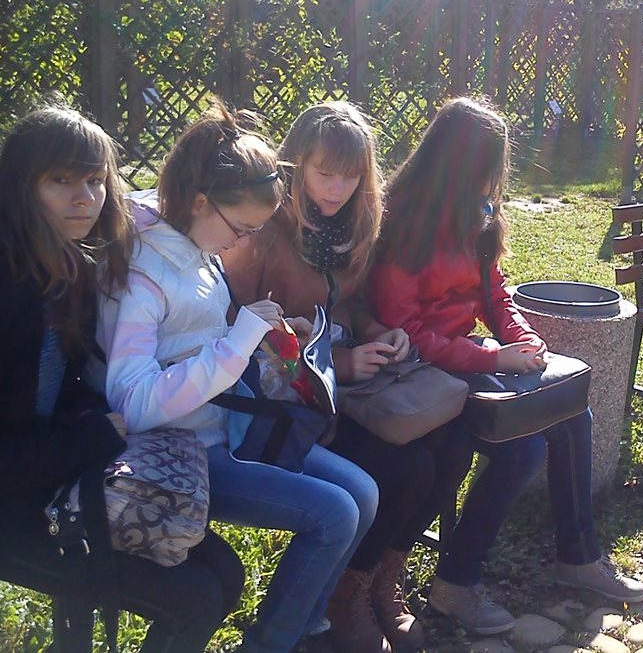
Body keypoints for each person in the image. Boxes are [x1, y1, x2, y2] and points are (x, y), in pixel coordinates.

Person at [98, 102, 381, 653]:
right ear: (201, 202)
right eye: (241, 229)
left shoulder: (199, 245)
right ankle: (272, 642)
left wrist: (266, 334)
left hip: (226, 428)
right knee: (334, 514)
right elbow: (133, 404)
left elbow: (200, 340)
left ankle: (303, 626)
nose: (240, 243)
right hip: (182, 452)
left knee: (363, 494)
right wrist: (236, 343)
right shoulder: (144, 276)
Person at [369, 97, 643, 636]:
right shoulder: (402, 223)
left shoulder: (477, 212)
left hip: (468, 359)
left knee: (571, 408)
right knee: (525, 450)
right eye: (487, 166)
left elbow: (495, 291)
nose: (493, 181)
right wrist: (492, 357)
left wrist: (523, 339)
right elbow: (406, 331)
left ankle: (579, 557)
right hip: (420, 372)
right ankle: (456, 583)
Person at [222, 101, 474, 650]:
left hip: (344, 392)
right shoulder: (261, 232)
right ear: (295, 166)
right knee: (405, 467)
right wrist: (336, 363)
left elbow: (349, 305)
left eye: (351, 176)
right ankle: (343, 594)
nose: (337, 189)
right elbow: (233, 333)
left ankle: (380, 580)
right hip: (285, 408)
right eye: (324, 173)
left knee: (454, 443)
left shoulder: (353, 226)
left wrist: (380, 330)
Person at [0, 104, 243, 653]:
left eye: (94, 180)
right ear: (19, 186)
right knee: (196, 597)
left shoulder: (70, 267)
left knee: (225, 574)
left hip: (54, 475)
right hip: (13, 506)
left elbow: (62, 392)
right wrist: (90, 436)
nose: (84, 198)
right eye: (60, 181)